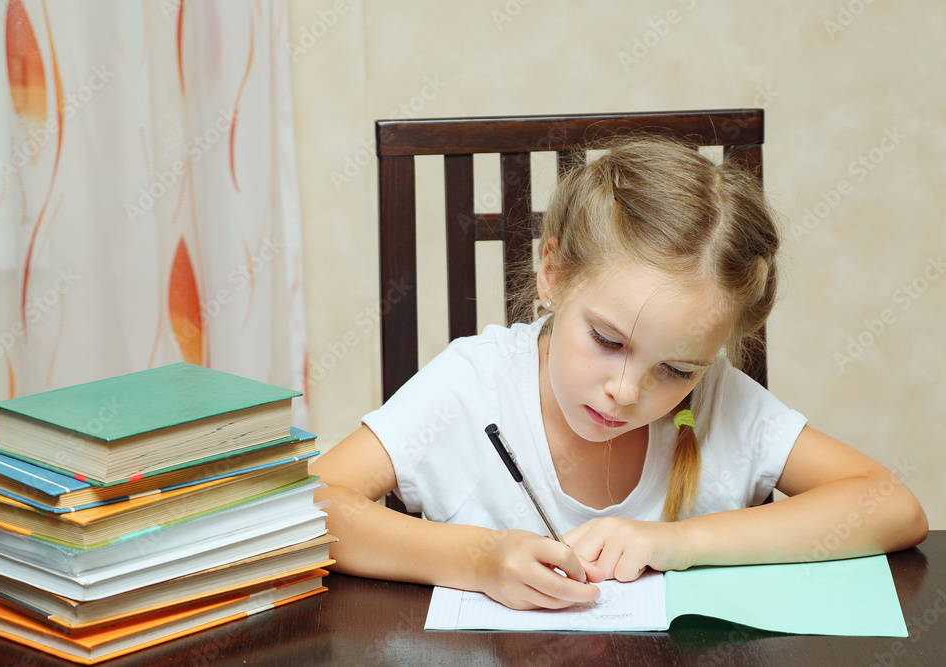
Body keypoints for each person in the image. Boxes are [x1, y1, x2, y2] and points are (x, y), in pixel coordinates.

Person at [312, 135, 928, 610]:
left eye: (677, 369)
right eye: (607, 340)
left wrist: (682, 544)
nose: (627, 390)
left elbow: (891, 506)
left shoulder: (718, 405)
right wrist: (473, 558)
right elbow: (309, 507)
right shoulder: (473, 385)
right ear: (551, 273)